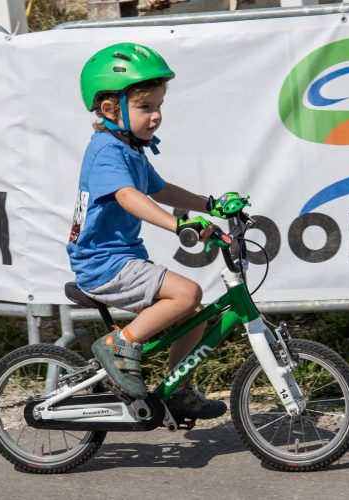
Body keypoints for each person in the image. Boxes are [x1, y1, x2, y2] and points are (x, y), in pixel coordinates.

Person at [67, 42, 226, 420]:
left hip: (121, 260)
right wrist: (177, 224)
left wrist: (211, 204)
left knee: (195, 313)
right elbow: (127, 197)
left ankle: (177, 390)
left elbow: (159, 189)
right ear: (110, 109)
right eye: (145, 107)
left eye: (158, 107)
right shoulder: (107, 149)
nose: (155, 116)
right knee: (188, 292)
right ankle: (118, 346)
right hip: (103, 264)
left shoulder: (131, 150)